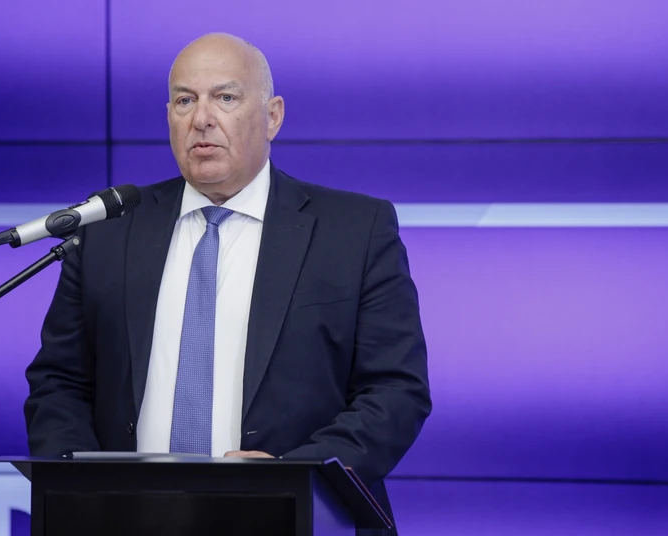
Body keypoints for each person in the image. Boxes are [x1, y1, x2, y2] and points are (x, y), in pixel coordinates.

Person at [23, 32, 431, 534]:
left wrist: (293, 477)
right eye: (184, 100)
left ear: (273, 116)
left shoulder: (354, 230)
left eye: (226, 97)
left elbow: (395, 390)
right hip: (127, 520)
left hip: (294, 519)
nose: (202, 118)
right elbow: (59, 381)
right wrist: (82, 493)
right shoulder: (110, 228)